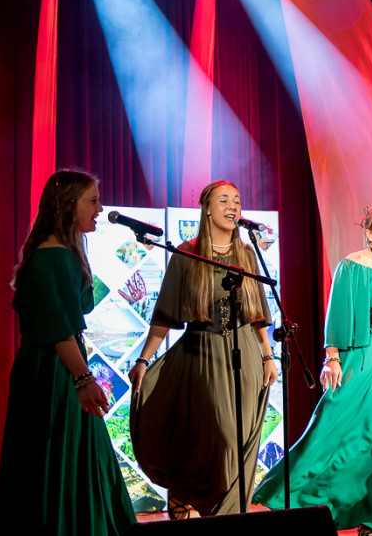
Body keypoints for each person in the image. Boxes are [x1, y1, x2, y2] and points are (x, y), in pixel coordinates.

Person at [253, 206, 372, 536]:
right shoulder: (353, 265)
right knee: (344, 434)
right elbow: (338, 312)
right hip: (363, 355)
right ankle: (294, 495)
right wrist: (332, 357)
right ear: (369, 233)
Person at [0, 170, 137, 535]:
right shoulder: (52, 257)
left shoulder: (64, 253)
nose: (100, 209)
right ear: (67, 206)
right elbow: (60, 331)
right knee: (60, 452)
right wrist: (84, 380)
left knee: (71, 453)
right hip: (55, 371)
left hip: (59, 367)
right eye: (92, 201)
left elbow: (76, 310)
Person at [128, 180, 278, 518]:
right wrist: (143, 359)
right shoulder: (187, 253)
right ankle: (196, 496)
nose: (233, 206)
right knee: (220, 436)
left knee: (243, 439)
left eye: (237, 200)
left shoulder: (247, 253)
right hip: (204, 352)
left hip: (246, 353)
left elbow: (258, 312)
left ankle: (229, 515)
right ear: (207, 208)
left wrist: (268, 355)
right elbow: (165, 314)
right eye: (224, 200)